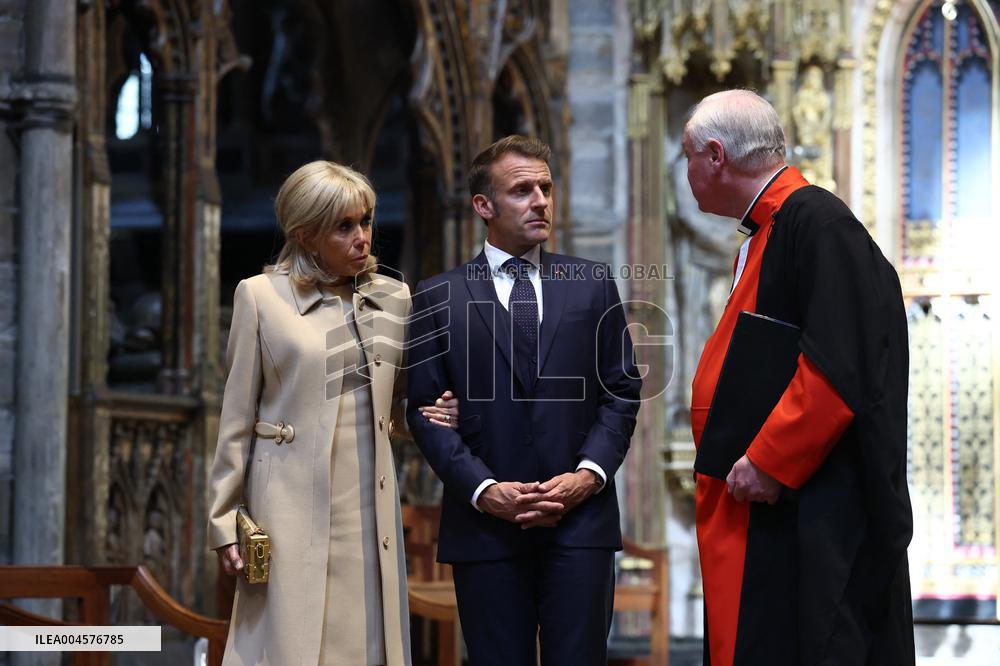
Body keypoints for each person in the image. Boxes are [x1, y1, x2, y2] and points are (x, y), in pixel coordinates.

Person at [683, 90, 914, 665]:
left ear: (716, 156)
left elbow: (841, 360)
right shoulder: (773, 227)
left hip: (808, 518)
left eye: (686, 154)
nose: (682, 170)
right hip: (772, 513)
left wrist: (769, 458)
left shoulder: (816, 221)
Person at [206, 161, 458, 666]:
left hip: (369, 503)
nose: (362, 237)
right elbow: (235, 421)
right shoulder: (259, 297)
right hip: (287, 506)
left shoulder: (394, 298)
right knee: (290, 645)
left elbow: (408, 397)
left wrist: (440, 409)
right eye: (344, 226)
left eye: (365, 221)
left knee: (368, 641)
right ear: (306, 235)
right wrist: (223, 519)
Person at [405, 135, 642, 666]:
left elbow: (622, 391)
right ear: (483, 207)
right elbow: (424, 412)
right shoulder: (436, 296)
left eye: (546, 187)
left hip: (579, 523)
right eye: (522, 190)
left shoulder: (592, 283)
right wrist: (485, 489)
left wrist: (588, 476)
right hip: (486, 528)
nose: (540, 200)